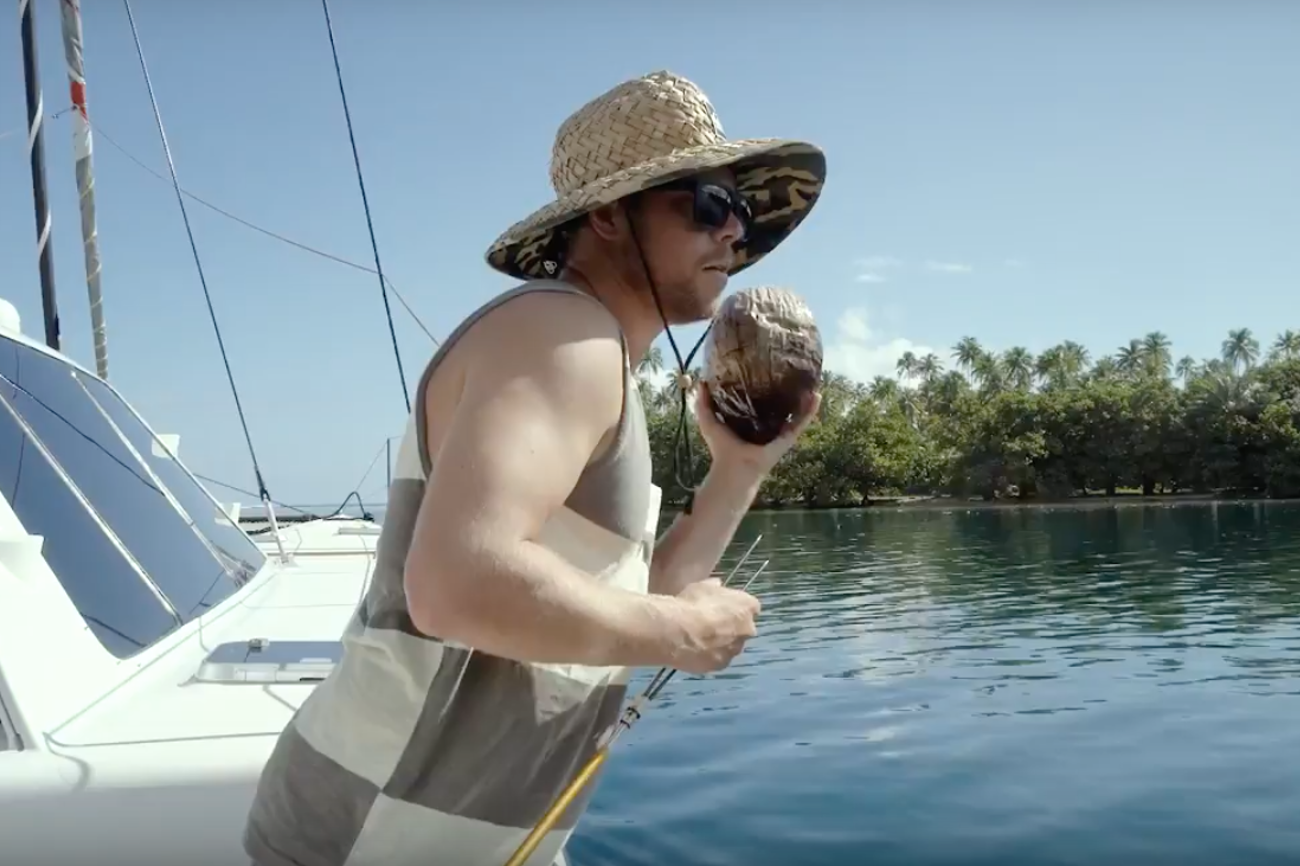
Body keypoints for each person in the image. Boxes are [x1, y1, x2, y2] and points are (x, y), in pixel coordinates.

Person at [242, 69, 827, 866]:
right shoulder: (564, 338)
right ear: (613, 216)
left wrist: (740, 470)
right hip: (370, 838)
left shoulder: (590, 355)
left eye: (743, 213)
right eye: (709, 205)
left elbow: (614, 604)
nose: (735, 234)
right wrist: (683, 631)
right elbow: (458, 584)